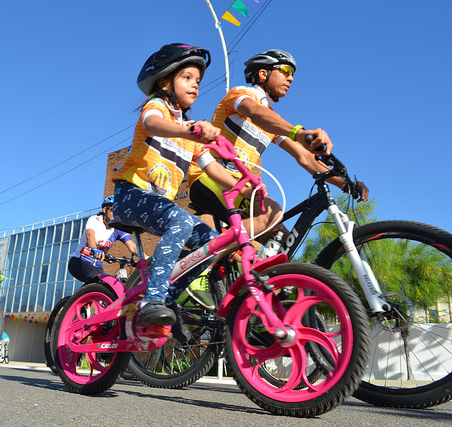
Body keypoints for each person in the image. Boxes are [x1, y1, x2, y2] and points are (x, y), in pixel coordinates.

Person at [111, 43, 247, 327]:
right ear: (165, 81)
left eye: (198, 81)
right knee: (181, 220)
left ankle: (168, 295)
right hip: (130, 195)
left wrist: (246, 185)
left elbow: (212, 168)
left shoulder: (189, 131)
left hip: (158, 206)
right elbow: (152, 125)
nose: (195, 85)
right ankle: (153, 300)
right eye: (187, 78)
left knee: (211, 243)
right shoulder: (158, 107)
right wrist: (191, 129)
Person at [188, 49, 369, 244]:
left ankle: (228, 266)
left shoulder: (273, 121)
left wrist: (344, 183)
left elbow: (304, 157)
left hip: (241, 188)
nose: (290, 79)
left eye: (293, 75)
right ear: (263, 73)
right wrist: (298, 132)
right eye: (285, 70)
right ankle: (205, 257)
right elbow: (255, 112)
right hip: (207, 175)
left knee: (282, 243)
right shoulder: (241, 94)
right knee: (272, 212)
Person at [68, 196, 138, 284]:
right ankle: (79, 297)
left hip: (97, 265)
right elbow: (90, 235)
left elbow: (132, 247)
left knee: (109, 286)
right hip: (80, 261)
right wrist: (94, 248)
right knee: (97, 282)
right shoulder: (95, 220)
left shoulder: (118, 229)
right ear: (105, 210)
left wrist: (148, 259)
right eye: (113, 210)